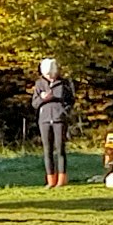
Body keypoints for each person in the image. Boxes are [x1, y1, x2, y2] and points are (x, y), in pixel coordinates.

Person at [29, 57, 76, 188]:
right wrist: (42, 99)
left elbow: (70, 101)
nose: (49, 76)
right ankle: (50, 179)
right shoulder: (39, 84)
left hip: (59, 119)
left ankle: (62, 178)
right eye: (46, 73)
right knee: (47, 150)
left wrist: (63, 112)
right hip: (44, 120)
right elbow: (34, 103)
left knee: (60, 148)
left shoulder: (64, 83)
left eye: (51, 73)